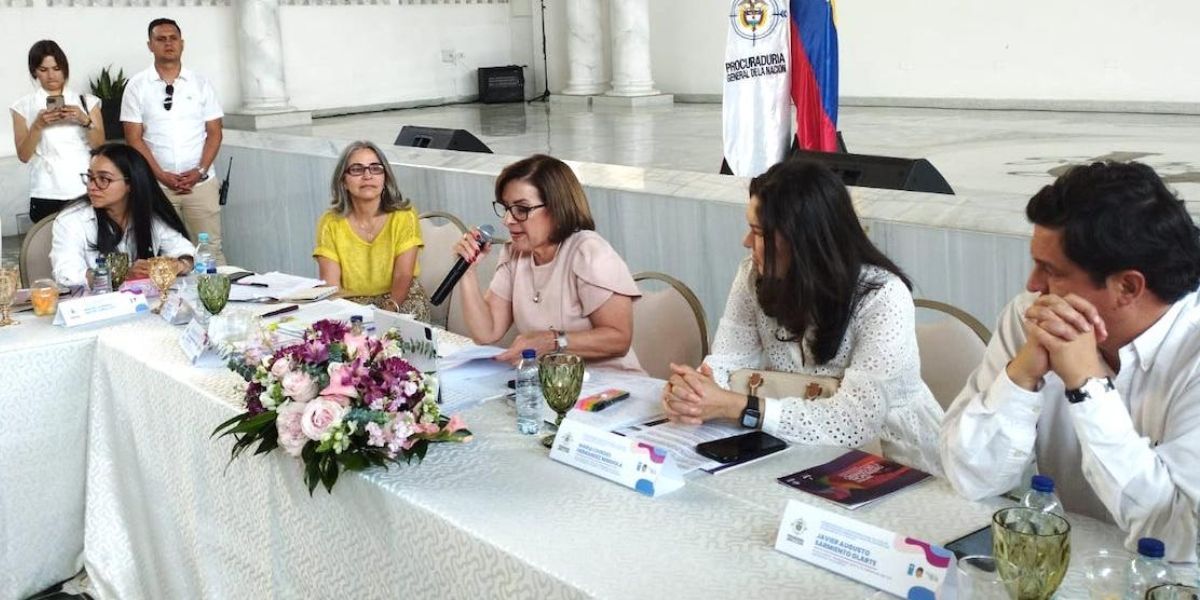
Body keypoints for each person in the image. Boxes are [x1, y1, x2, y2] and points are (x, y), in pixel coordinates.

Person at [940, 162, 1200, 562]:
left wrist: (1089, 387)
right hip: (1069, 562)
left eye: (1051, 270)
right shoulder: (1032, 316)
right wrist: (1021, 375)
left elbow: (1175, 538)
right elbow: (970, 478)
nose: (1033, 285)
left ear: (1127, 286)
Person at [661, 159, 944, 473]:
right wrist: (695, 389)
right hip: (800, 453)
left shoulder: (882, 296)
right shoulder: (753, 275)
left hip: (899, 463)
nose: (746, 242)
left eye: (758, 232)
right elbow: (729, 359)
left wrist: (741, 407)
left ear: (802, 240)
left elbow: (855, 421)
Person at [453, 154, 643, 372]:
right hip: (551, 383)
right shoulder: (515, 253)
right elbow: (486, 333)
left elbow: (619, 339)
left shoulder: (588, 251)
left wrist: (552, 341)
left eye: (522, 209)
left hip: (610, 384)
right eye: (506, 208)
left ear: (556, 208)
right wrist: (467, 271)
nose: (508, 220)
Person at [121, 17, 225, 264]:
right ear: (150, 45)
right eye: (161, 39)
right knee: (164, 256)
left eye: (173, 38)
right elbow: (133, 138)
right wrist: (160, 175)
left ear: (182, 43)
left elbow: (215, 132)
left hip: (200, 185)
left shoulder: (200, 83)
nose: (168, 44)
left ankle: (219, 289)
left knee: (210, 250)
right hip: (158, 187)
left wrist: (199, 171)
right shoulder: (137, 86)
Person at [313, 141, 431, 321]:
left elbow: (403, 275)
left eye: (375, 168)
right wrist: (352, 321)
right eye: (357, 169)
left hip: (400, 300)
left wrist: (387, 314)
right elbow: (331, 287)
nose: (367, 176)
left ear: (385, 178)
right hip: (350, 305)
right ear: (343, 181)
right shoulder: (330, 222)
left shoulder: (404, 216)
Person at [51, 143, 195, 288]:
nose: (91, 187)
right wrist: (122, 275)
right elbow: (66, 275)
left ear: (130, 183)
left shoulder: (148, 213)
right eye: (90, 177)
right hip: (97, 299)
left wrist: (178, 265)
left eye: (103, 179)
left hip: (143, 298)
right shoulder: (71, 220)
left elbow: (186, 250)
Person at [10, 40, 105, 225]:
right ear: (34, 71)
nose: (51, 75)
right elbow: (23, 155)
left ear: (65, 68)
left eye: (56, 68)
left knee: (91, 238)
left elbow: (100, 146)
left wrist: (84, 120)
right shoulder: (22, 107)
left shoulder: (88, 102)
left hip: (84, 187)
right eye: (43, 70)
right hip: (46, 190)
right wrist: (37, 126)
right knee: (48, 240)